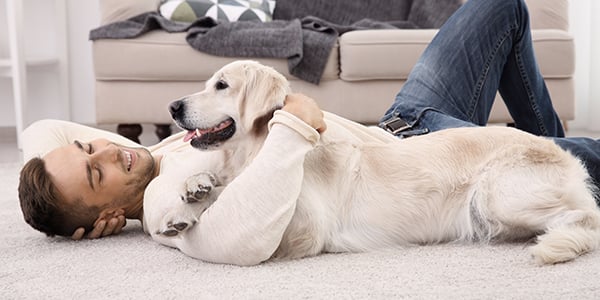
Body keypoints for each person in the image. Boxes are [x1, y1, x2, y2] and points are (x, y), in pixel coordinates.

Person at [17, 0, 600, 256]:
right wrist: (292, 124)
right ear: (108, 218)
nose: (109, 151)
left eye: (89, 144)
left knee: (502, 7)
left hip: (403, 124)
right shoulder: (173, 200)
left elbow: (43, 130)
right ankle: (560, 159)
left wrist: (76, 167)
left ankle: (547, 144)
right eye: (95, 172)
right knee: (544, 171)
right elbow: (238, 240)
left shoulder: (161, 147)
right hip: (430, 166)